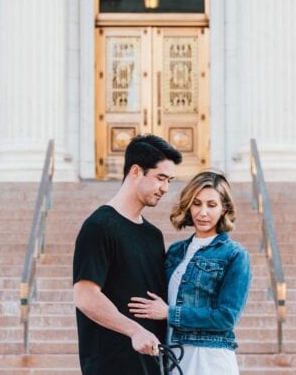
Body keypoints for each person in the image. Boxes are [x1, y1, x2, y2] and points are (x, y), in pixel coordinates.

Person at [72, 134, 182, 374]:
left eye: (170, 180)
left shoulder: (153, 235)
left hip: (152, 365)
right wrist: (134, 330)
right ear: (135, 171)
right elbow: (85, 295)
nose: (165, 188)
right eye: (160, 178)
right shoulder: (99, 226)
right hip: (111, 365)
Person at [128, 171, 251, 375]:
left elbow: (227, 317)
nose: (203, 213)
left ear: (224, 209)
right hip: (173, 355)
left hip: (209, 358)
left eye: (211, 205)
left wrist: (169, 313)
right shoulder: (176, 251)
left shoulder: (235, 255)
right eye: (197, 203)